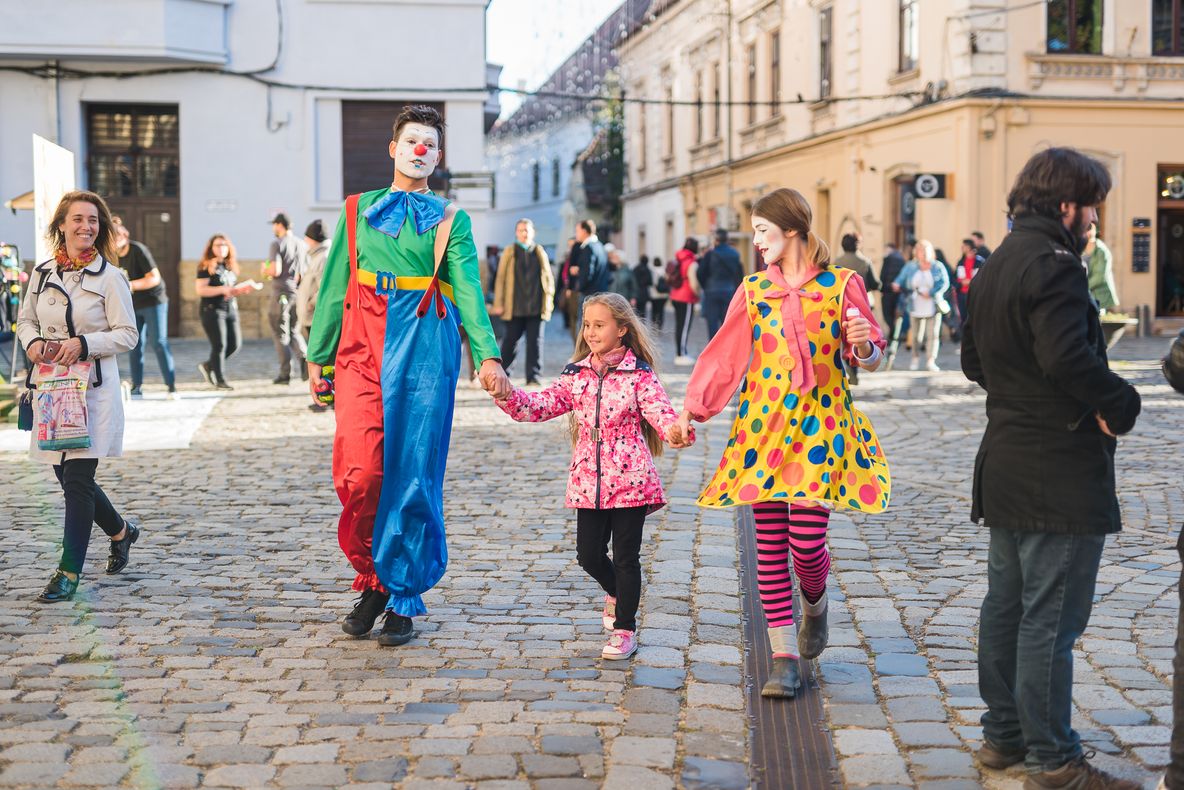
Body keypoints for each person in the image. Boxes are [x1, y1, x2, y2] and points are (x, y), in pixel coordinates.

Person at [961, 147, 1141, 789]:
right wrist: (1119, 403)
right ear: (1067, 204)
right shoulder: (1058, 266)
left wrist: (1021, 399)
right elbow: (1069, 358)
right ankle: (1054, 759)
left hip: (1007, 455)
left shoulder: (998, 262)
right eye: (1091, 204)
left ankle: (1004, 738)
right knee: (1049, 620)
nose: (1094, 217)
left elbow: (973, 361)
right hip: (1056, 468)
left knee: (1006, 607)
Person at [668, 187, 890, 699]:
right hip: (762, 430)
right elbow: (725, 357)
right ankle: (784, 657)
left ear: (791, 230)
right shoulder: (752, 290)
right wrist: (691, 412)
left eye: (763, 232)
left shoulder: (842, 286)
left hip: (821, 428)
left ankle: (816, 604)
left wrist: (863, 343)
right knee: (769, 546)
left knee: (807, 545)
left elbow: (873, 356)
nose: (757, 242)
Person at [306, 105, 510, 648]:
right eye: (412, 140)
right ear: (393, 149)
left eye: (431, 144)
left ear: (438, 158)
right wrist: (318, 356)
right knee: (361, 473)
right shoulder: (356, 211)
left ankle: (398, 595)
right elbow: (333, 287)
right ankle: (373, 573)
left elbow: (467, 289)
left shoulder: (451, 220)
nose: (421, 149)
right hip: (360, 346)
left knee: (413, 471)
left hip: (424, 343)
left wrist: (486, 356)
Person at [494, 292, 689, 660]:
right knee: (588, 555)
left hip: (631, 478)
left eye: (600, 325)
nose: (591, 332)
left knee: (627, 557)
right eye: (587, 325)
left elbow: (661, 414)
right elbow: (538, 407)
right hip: (589, 479)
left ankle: (625, 629)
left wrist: (676, 431)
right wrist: (506, 394)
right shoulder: (577, 373)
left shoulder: (639, 376)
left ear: (621, 330)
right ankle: (615, 591)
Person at [17, 190, 141, 602]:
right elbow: (26, 320)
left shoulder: (111, 277)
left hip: (92, 393)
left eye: (92, 220)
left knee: (77, 479)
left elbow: (128, 334)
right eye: (77, 219)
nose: (85, 226)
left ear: (100, 227)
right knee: (65, 476)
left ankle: (67, 573)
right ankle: (122, 531)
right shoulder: (42, 273)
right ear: (61, 225)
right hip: (51, 388)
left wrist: (85, 343)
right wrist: (33, 343)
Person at [114, 220, 176, 398]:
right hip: (134, 303)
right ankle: (137, 387)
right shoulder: (112, 255)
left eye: (116, 236)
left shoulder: (137, 250)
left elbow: (154, 278)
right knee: (134, 344)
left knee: (158, 342)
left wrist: (129, 285)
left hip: (154, 301)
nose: (113, 241)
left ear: (124, 236)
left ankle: (171, 386)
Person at [492, 218, 554, 386]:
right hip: (515, 306)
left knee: (535, 343)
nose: (524, 233)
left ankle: (533, 376)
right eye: (520, 230)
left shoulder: (539, 251)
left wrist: (548, 302)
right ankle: (503, 375)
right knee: (510, 342)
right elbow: (500, 279)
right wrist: (499, 302)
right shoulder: (510, 251)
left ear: (533, 232)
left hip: (536, 305)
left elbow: (548, 278)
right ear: (516, 233)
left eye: (527, 230)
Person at [195, 234, 257, 390]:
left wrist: (240, 290)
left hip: (230, 308)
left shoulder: (229, 266)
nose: (221, 248)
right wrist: (222, 289)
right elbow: (200, 289)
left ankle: (209, 365)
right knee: (220, 345)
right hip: (212, 310)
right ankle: (220, 379)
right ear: (211, 248)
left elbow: (230, 288)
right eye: (217, 245)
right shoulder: (205, 266)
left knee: (235, 344)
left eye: (224, 245)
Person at [891, 240, 949, 372]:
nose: (921, 253)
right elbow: (901, 278)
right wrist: (896, 284)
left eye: (924, 250)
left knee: (933, 334)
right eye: (919, 250)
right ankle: (915, 358)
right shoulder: (911, 266)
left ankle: (930, 360)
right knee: (916, 336)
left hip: (933, 304)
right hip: (915, 304)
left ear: (929, 252)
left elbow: (945, 283)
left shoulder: (937, 266)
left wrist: (932, 292)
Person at [266, 212, 309, 385]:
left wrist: (265, 270)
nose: (273, 228)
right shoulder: (301, 244)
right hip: (296, 293)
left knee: (279, 332)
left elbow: (275, 270)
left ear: (279, 225)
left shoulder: (277, 244)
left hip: (281, 293)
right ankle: (305, 359)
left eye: (274, 225)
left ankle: (285, 373)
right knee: (293, 330)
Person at [697, 229, 744, 341]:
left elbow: (700, 273)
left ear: (716, 240)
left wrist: (705, 286)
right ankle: (725, 347)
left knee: (712, 322)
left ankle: (713, 348)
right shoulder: (735, 254)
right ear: (727, 239)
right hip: (729, 291)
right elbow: (739, 274)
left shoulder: (710, 254)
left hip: (712, 291)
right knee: (727, 322)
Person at [298, 219, 331, 343]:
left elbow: (324, 287)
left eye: (307, 237)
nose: (305, 241)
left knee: (315, 358)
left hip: (315, 317)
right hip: (310, 317)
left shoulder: (323, 257)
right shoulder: (317, 255)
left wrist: (310, 304)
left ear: (314, 239)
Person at [670, 238, 701, 364]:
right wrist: (698, 295)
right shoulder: (691, 262)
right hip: (686, 297)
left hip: (675, 294)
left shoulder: (678, 258)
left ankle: (680, 352)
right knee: (684, 327)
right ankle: (681, 354)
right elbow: (693, 283)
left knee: (679, 326)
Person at [834, 233, 881, 299]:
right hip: (861, 300)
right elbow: (875, 284)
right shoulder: (865, 262)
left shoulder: (836, 262)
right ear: (858, 245)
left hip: (842, 300)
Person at [954, 238, 986, 337]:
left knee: (974, 317)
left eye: (964, 246)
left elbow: (982, 277)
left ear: (970, 247)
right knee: (963, 317)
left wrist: (970, 282)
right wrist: (960, 283)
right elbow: (956, 277)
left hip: (974, 294)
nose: (962, 248)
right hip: (962, 294)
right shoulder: (961, 261)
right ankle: (965, 338)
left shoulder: (979, 261)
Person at [1083, 221, 1118, 311]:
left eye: (1090, 229)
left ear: (1095, 231)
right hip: (1085, 295)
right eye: (1086, 230)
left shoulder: (1101, 250)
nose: (1088, 232)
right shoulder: (1080, 248)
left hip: (1100, 296)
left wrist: (1081, 287)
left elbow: (1099, 277)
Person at [879, 242, 907, 348]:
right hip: (898, 292)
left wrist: (881, 288)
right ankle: (893, 336)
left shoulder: (887, 259)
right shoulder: (902, 259)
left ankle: (895, 333)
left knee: (887, 315)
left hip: (887, 291)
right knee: (895, 315)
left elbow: (883, 275)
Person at [645, 255, 669, 329]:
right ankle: (660, 325)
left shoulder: (653, 271)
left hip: (654, 295)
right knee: (661, 311)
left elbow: (653, 283)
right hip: (664, 295)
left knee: (654, 311)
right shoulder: (664, 270)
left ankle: (654, 325)